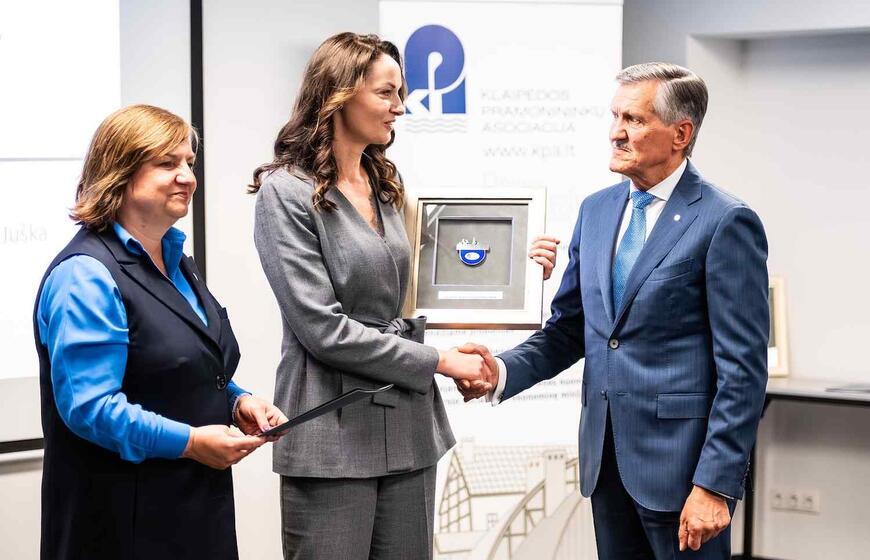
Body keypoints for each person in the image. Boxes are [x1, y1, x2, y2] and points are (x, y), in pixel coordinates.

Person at [250, 32, 557, 559]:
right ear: (339, 94)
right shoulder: (286, 192)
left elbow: (434, 276)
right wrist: (440, 361)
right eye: (386, 93)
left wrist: (521, 265)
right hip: (332, 435)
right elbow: (324, 331)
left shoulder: (384, 183)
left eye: (402, 93)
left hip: (410, 430)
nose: (400, 107)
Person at [458, 63, 769, 559]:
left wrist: (715, 484)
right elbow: (570, 331)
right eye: (615, 116)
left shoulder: (725, 221)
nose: (615, 132)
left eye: (634, 119)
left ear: (680, 134)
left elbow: (744, 371)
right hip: (606, 467)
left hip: (685, 477)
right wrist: (501, 371)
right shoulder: (596, 211)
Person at [34, 104, 287, 560]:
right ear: (119, 172)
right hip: (120, 525)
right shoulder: (84, 276)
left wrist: (237, 402)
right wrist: (191, 442)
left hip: (195, 513)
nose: (188, 177)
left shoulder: (176, 260)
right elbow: (91, 408)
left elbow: (180, 364)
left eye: (190, 162)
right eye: (168, 163)